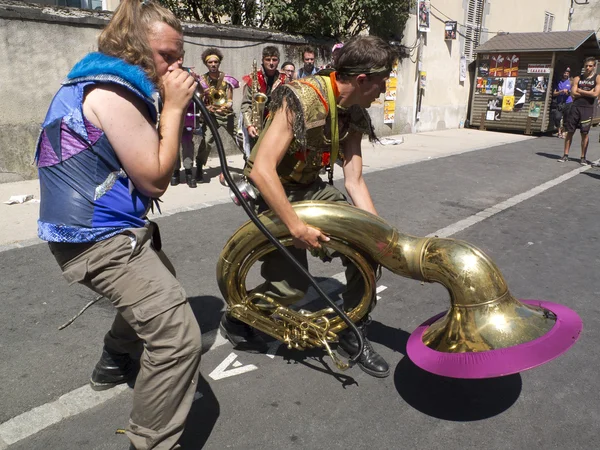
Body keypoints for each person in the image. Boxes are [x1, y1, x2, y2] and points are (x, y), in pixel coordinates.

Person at [34, 1, 202, 448]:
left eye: (178, 56)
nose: (175, 66)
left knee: (162, 282)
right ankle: (149, 443)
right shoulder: (113, 93)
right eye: (166, 55)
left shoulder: (99, 81)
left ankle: (114, 360)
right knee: (178, 338)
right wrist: (173, 108)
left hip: (98, 230)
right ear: (133, 48)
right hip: (96, 238)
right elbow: (155, 178)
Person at [220, 35, 396, 379]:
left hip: (311, 188)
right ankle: (239, 315)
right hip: (272, 190)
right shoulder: (301, 96)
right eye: (381, 83)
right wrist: (296, 228)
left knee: (365, 248)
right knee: (291, 288)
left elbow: (354, 180)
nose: (383, 90)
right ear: (362, 80)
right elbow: (261, 169)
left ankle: (351, 330)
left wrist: (378, 235)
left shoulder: (355, 111)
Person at [238, 46, 287, 156]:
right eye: (268, 59)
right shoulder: (253, 78)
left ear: (278, 61)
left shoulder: (284, 79)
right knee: (253, 155)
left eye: (274, 60)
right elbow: (246, 104)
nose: (271, 63)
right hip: (256, 123)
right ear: (262, 60)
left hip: (276, 123)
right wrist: (249, 125)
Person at [558, 57, 600, 165]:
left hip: (588, 108)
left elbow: (595, 94)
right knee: (570, 131)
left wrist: (580, 91)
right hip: (576, 107)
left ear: (594, 66)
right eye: (586, 66)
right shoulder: (578, 78)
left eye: (590, 66)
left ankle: (583, 157)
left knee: (584, 133)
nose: (588, 68)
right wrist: (587, 92)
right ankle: (565, 155)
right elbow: (573, 93)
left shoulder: (597, 78)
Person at [551, 68, 572, 139]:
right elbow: (554, 93)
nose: (566, 74)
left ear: (569, 74)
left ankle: (563, 132)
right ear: (562, 74)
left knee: (566, 118)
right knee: (557, 117)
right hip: (559, 102)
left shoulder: (570, 82)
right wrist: (561, 91)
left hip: (568, 102)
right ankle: (559, 131)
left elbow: (573, 92)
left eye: (567, 73)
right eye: (565, 73)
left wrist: (568, 92)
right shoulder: (558, 82)